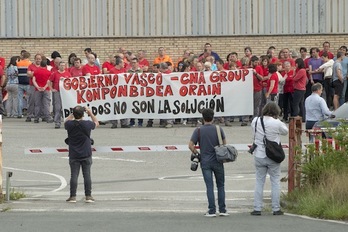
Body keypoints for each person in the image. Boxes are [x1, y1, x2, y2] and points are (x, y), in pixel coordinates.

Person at [188, 108, 229, 217]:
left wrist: (197, 153)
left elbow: (190, 145)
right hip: (218, 160)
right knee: (220, 185)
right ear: (213, 117)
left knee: (209, 186)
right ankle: (223, 209)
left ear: (203, 117)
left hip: (205, 161)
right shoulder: (218, 129)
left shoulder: (199, 130)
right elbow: (225, 145)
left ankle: (211, 210)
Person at [250, 102, 288, 216]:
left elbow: (254, 134)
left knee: (259, 181)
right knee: (275, 181)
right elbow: (285, 131)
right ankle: (276, 208)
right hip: (273, 155)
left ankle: (257, 208)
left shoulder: (255, 121)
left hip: (259, 154)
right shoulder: (276, 123)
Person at [65, 105, 99, 203]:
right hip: (86, 152)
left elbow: (66, 121)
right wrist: (90, 112)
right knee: (87, 175)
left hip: (74, 153)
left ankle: (72, 196)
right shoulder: (87, 124)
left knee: (74, 175)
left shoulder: (69, 124)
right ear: (83, 114)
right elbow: (96, 123)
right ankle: (88, 195)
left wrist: (72, 114)